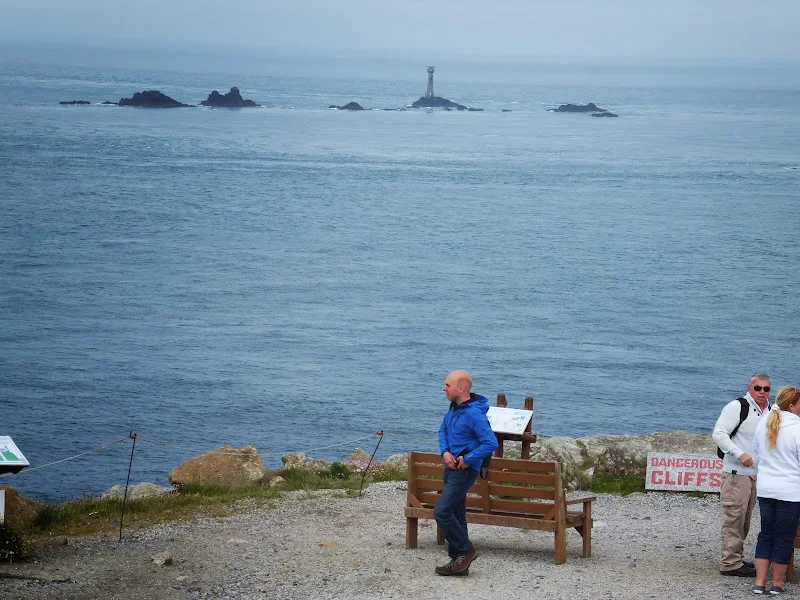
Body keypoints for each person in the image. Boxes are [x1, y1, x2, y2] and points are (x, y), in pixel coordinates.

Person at [433, 370, 498, 576]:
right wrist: (444, 452)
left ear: (460, 389)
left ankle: (465, 551)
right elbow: (443, 430)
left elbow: (490, 443)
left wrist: (467, 459)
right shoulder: (453, 408)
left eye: (447, 385)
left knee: (441, 511)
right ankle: (458, 562)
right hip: (450, 468)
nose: (444, 389)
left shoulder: (473, 413)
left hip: (464, 471)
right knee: (456, 513)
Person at [712, 372, 772, 577]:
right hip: (736, 473)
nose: (762, 392)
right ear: (749, 388)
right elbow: (718, 433)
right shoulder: (737, 407)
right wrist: (739, 454)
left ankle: (735, 557)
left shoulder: (770, 411)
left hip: (754, 475)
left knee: (744, 521)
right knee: (734, 518)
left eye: (766, 389)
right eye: (758, 388)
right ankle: (729, 563)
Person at [751, 386, 800, 595]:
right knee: (784, 536)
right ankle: (777, 584)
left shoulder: (765, 422)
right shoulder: (797, 428)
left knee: (766, 534)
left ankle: (760, 582)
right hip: (789, 490)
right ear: (792, 405)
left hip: (766, 488)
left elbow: (757, 450)